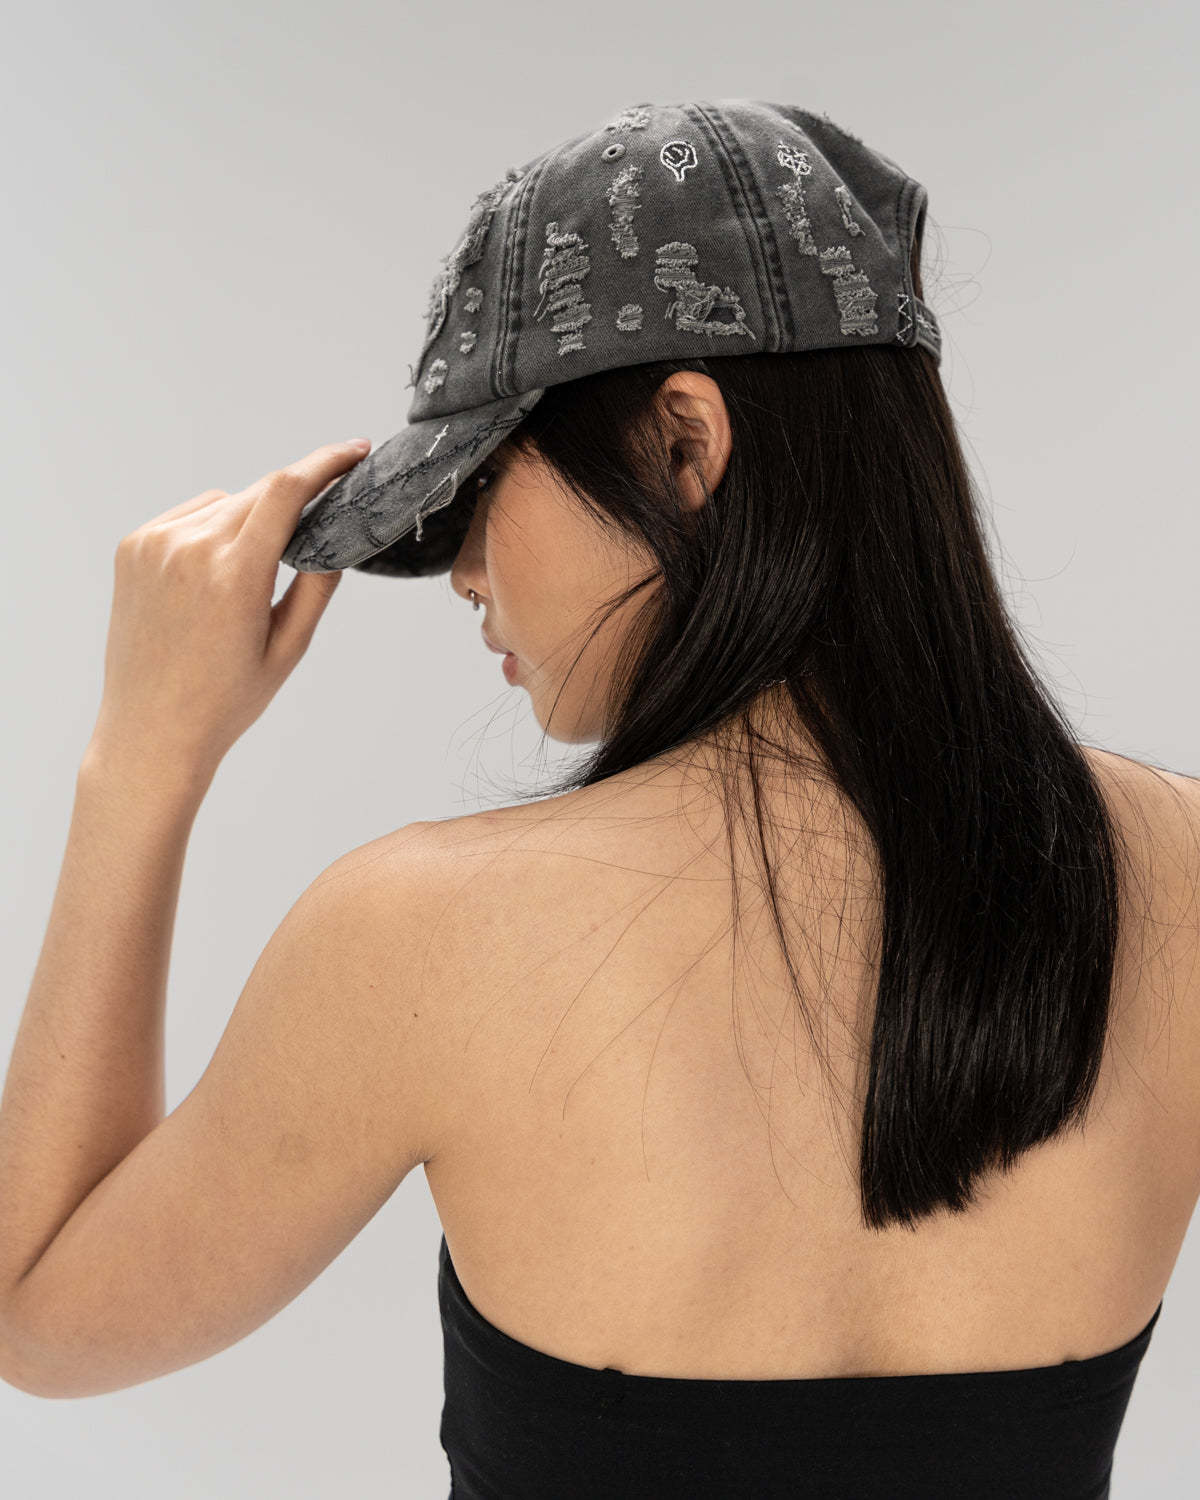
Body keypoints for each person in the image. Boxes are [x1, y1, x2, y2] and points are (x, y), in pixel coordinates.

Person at [2, 99, 1193, 1498]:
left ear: (683, 444)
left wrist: (140, 759)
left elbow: (37, 1310)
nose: (462, 574)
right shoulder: (1178, 872)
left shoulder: (429, 936)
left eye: (478, 489)